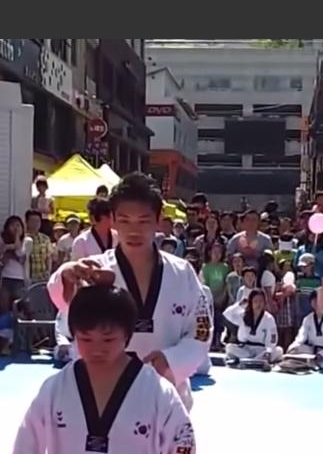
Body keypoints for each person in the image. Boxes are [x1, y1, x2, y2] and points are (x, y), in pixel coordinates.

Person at [9, 284, 196, 454]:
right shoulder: (54, 390)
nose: (96, 349)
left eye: (108, 339)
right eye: (85, 339)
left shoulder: (158, 393)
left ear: (127, 335)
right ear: (73, 335)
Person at [47, 173, 211, 412]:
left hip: (167, 394)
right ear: (112, 220)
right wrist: (65, 276)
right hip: (103, 392)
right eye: (125, 220)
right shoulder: (95, 270)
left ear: (158, 220)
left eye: (143, 221)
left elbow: (201, 329)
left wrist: (171, 361)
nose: (134, 230)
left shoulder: (182, 273)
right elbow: (66, 306)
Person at [222, 289, 283, 365]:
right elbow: (227, 314)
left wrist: (269, 350)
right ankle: (254, 361)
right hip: (245, 349)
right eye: (255, 301)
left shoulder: (269, 318)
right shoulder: (243, 315)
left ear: (264, 302)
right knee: (229, 347)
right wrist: (240, 304)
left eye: (261, 301)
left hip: (261, 350)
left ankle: (250, 360)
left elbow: (273, 340)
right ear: (250, 302)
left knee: (278, 350)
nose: (258, 304)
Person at [286, 290, 323, 368]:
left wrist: (322, 354)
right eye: (314, 300)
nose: (316, 303)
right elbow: (301, 336)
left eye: (319, 300)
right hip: (312, 350)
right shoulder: (307, 319)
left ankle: (319, 363)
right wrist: (293, 346)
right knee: (296, 349)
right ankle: (310, 362)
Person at [0, 216, 32, 314]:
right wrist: (7, 248)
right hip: (5, 277)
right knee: (3, 306)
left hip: (20, 279)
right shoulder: (3, 240)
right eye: (12, 225)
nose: (15, 228)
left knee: (20, 306)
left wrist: (16, 238)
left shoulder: (27, 241)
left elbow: (20, 253)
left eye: (18, 225)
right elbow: (0, 257)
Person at [26, 209, 54, 283]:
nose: (36, 224)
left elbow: (48, 257)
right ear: (27, 222)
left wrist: (48, 272)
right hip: (28, 278)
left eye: (38, 221)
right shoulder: (23, 239)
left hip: (43, 277)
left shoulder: (45, 239)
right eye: (33, 221)